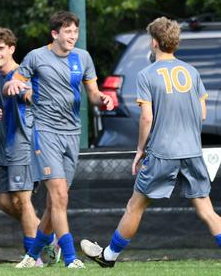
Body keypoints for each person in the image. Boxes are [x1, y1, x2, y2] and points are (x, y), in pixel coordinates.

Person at [80, 17, 221, 267]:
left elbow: (147, 117)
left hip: (163, 152)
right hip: (192, 151)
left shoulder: (147, 74)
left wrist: (141, 150)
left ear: (154, 43)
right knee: (207, 211)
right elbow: (200, 113)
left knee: (135, 206)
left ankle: (108, 257)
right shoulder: (192, 71)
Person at [5, 11, 113, 268]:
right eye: (68, 32)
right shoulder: (36, 57)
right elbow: (16, 81)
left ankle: (31, 256)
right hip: (45, 132)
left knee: (56, 201)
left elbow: (93, 93)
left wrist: (103, 100)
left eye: (75, 31)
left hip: (72, 134)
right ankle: (71, 258)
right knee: (59, 197)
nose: (73, 36)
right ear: (55, 34)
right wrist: (12, 86)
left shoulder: (83, 57)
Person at [0, 27, 58, 266]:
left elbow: (33, 94)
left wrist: (25, 92)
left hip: (23, 145)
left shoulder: (21, 74)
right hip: (4, 147)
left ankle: (33, 257)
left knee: (22, 201)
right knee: (6, 203)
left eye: (1, 48)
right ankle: (50, 239)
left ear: (12, 49)